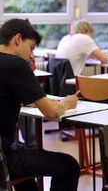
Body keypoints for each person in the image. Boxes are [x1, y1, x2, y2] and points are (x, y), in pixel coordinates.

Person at [0, 18, 80, 191]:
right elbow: (51, 112)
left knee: (26, 179)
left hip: (4, 153)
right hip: (4, 158)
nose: (31, 55)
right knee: (69, 165)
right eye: (31, 47)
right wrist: (66, 102)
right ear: (17, 39)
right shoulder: (16, 65)